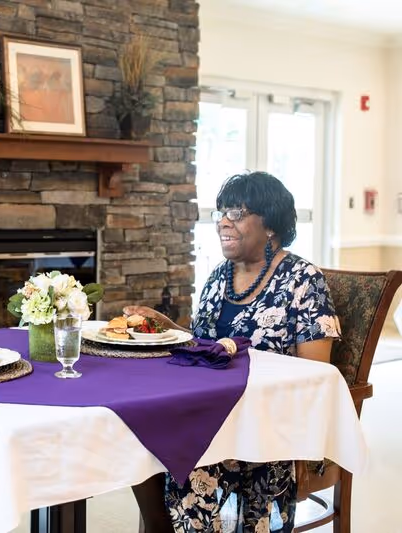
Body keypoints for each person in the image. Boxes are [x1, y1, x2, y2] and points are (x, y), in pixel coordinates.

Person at [126, 171, 341, 533]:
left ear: (270, 225)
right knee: (140, 434)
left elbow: (316, 374)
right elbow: (205, 347)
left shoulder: (303, 281)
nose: (224, 222)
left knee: (183, 452)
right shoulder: (218, 277)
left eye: (237, 214)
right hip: (210, 411)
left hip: (265, 424)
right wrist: (165, 327)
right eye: (222, 213)